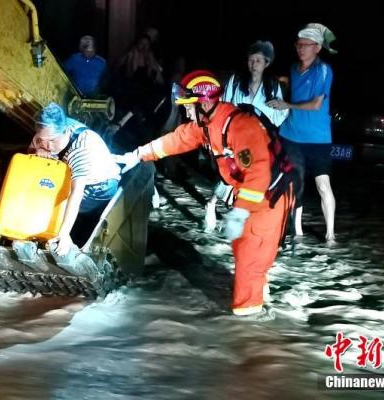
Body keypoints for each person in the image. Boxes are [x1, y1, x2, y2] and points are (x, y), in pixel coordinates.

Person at [116, 70, 296, 316]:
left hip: (269, 196)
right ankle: (257, 297)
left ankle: (249, 320)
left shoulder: (242, 126)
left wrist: (240, 213)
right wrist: (137, 155)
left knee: (250, 255)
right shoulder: (209, 124)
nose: (186, 111)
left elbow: (258, 173)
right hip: (252, 194)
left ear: (205, 103)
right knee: (246, 251)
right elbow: (177, 139)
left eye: (189, 106)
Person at [205, 40, 289, 231]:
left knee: (252, 176)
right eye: (251, 60)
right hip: (235, 137)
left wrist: (276, 111)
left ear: (266, 63)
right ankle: (212, 203)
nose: (254, 64)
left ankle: (241, 215)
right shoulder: (235, 81)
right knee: (231, 174)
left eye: (259, 60)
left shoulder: (272, 85)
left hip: (260, 139)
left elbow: (279, 115)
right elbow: (224, 106)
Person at [267, 23, 337, 242]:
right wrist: (281, 84)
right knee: (293, 182)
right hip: (291, 135)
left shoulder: (323, 70)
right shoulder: (293, 68)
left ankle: (330, 235)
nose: (301, 48)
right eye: (298, 44)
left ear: (317, 47)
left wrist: (286, 105)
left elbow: (316, 104)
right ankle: (293, 229)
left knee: (323, 185)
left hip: (318, 139)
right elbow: (294, 88)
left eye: (306, 45)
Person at [31, 103, 121, 255]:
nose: (47, 145)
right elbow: (35, 143)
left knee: (61, 206)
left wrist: (64, 233)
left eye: (52, 141)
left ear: (65, 131)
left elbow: (76, 193)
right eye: (42, 139)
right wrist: (37, 149)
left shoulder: (80, 152)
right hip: (76, 172)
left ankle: (76, 229)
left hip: (100, 188)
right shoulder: (53, 127)